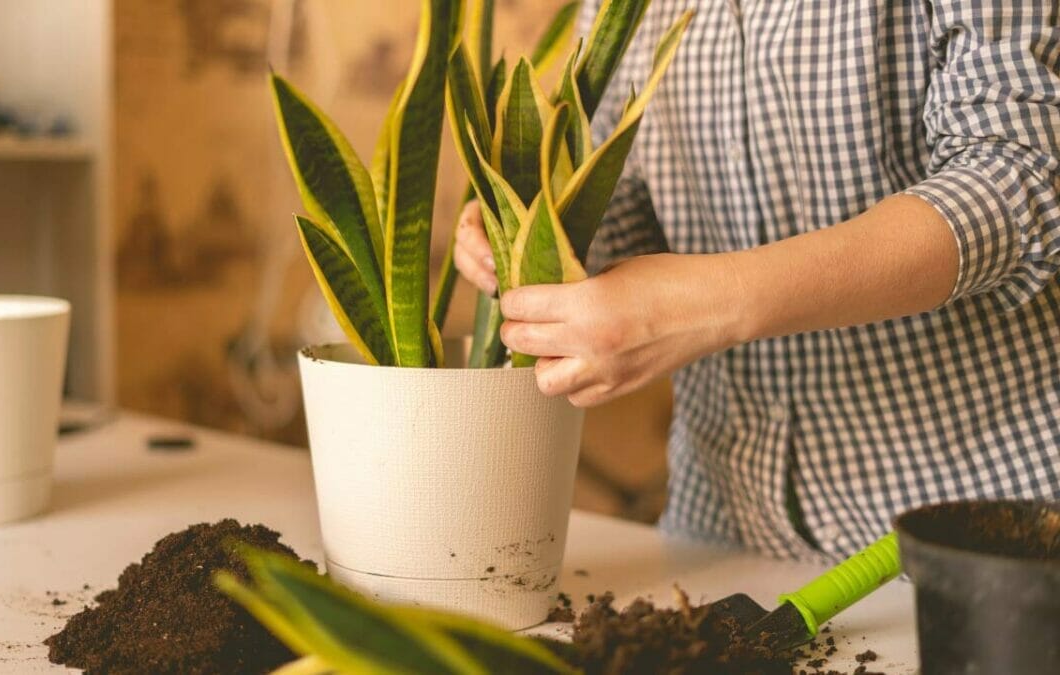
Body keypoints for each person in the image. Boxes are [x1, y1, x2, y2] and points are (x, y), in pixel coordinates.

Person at [452, 0, 1060, 560]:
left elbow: (1017, 179)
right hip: (719, 523)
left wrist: (701, 306)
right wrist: (524, 229)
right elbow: (623, 209)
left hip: (977, 525)